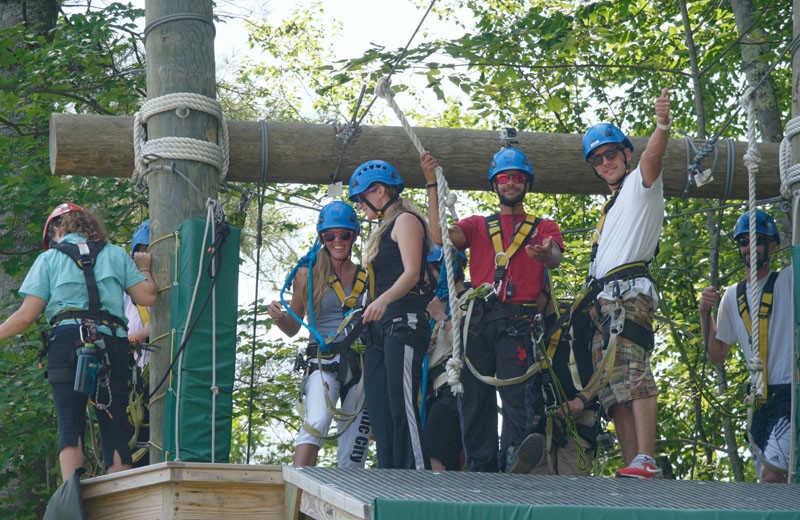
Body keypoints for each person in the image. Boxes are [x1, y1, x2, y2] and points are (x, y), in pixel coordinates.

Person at [421, 146, 564, 473]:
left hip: (519, 321)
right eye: (504, 178)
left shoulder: (543, 227)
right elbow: (439, 236)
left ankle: (515, 457)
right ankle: (480, 467)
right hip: (480, 321)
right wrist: (431, 184)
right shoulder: (477, 225)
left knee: (517, 395)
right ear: (494, 184)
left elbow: (555, 255)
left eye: (516, 178)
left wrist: (545, 256)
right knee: (474, 400)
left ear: (526, 184)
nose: (510, 183)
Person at [0, 203, 156, 481]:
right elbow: (148, 297)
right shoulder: (115, 254)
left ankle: (74, 497)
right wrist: (143, 268)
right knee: (116, 424)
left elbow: (25, 317)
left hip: (67, 341)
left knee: (70, 422)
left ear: (57, 229)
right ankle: (120, 496)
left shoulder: (49, 260)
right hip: (112, 344)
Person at [574, 89, 671, 479]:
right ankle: (634, 463)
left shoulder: (639, 186)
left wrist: (661, 125)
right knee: (613, 389)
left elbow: (654, 157)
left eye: (610, 154)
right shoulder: (611, 207)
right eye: (596, 159)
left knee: (633, 372)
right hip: (605, 301)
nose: (604, 162)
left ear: (626, 155)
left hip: (630, 295)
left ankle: (646, 456)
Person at [267, 201, 371, 468]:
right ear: (321, 238)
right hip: (323, 362)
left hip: (360, 365)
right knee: (317, 422)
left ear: (354, 237)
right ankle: (295, 491)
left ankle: (347, 498)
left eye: (344, 235)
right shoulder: (307, 274)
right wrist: (279, 317)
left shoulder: (368, 275)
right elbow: (293, 328)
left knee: (354, 447)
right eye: (330, 236)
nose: (338, 241)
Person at [349, 160, 431, 470]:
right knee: (380, 412)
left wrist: (382, 300)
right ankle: (388, 476)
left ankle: (416, 479)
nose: (359, 205)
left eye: (361, 198)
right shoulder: (383, 230)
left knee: (402, 405)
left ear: (379, 191)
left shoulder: (406, 221)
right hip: (378, 331)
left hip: (403, 322)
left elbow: (411, 273)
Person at [699, 210, 791, 483]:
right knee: (767, 488)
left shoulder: (788, 281)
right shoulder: (732, 296)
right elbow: (717, 355)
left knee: (771, 476)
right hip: (759, 403)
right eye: (744, 241)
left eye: (758, 239)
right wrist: (704, 313)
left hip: (789, 396)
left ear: (772, 245)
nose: (750, 247)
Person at [422, 245, 468, 471]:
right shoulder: (436, 304)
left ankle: (435, 503)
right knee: (443, 459)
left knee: (432, 455)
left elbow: (468, 345)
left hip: (453, 389)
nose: (424, 278)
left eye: (428, 270)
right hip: (435, 391)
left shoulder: (470, 299)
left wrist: (441, 317)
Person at [124, 219, 151, 468]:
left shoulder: (178, 285)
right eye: (141, 250)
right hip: (136, 376)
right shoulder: (126, 291)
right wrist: (144, 334)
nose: (146, 256)